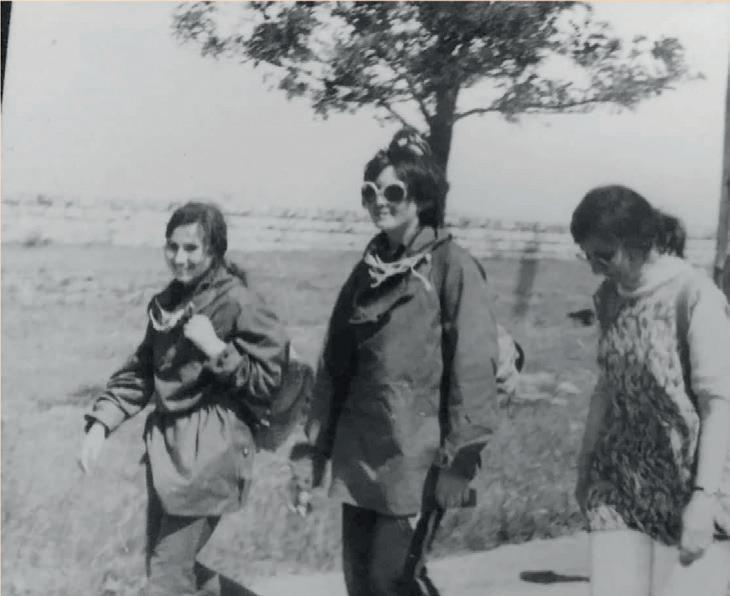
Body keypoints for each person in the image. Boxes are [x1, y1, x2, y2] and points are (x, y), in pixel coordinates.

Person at [289, 129, 501, 596]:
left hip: (418, 464)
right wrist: (312, 454)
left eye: (393, 192)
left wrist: (460, 463)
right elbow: (333, 370)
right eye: (370, 192)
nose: (378, 202)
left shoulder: (452, 266)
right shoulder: (365, 273)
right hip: (360, 460)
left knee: (393, 581)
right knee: (361, 583)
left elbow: (473, 368)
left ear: (421, 198)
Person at [78, 202, 289, 596]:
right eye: (172, 247)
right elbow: (142, 371)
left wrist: (216, 349)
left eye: (192, 248)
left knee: (166, 577)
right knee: (171, 569)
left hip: (212, 451)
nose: (180, 258)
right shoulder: (167, 303)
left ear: (215, 251)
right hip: (168, 452)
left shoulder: (239, 301)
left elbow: (268, 382)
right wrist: (101, 424)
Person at [571, 185, 730, 596]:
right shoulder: (608, 297)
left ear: (638, 242)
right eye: (587, 256)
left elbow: (719, 404)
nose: (596, 268)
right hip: (619, 485)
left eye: (604, 256)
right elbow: (606, 386)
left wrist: (704, 499)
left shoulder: (695, 296)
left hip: (689, 485)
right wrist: (585, 466)